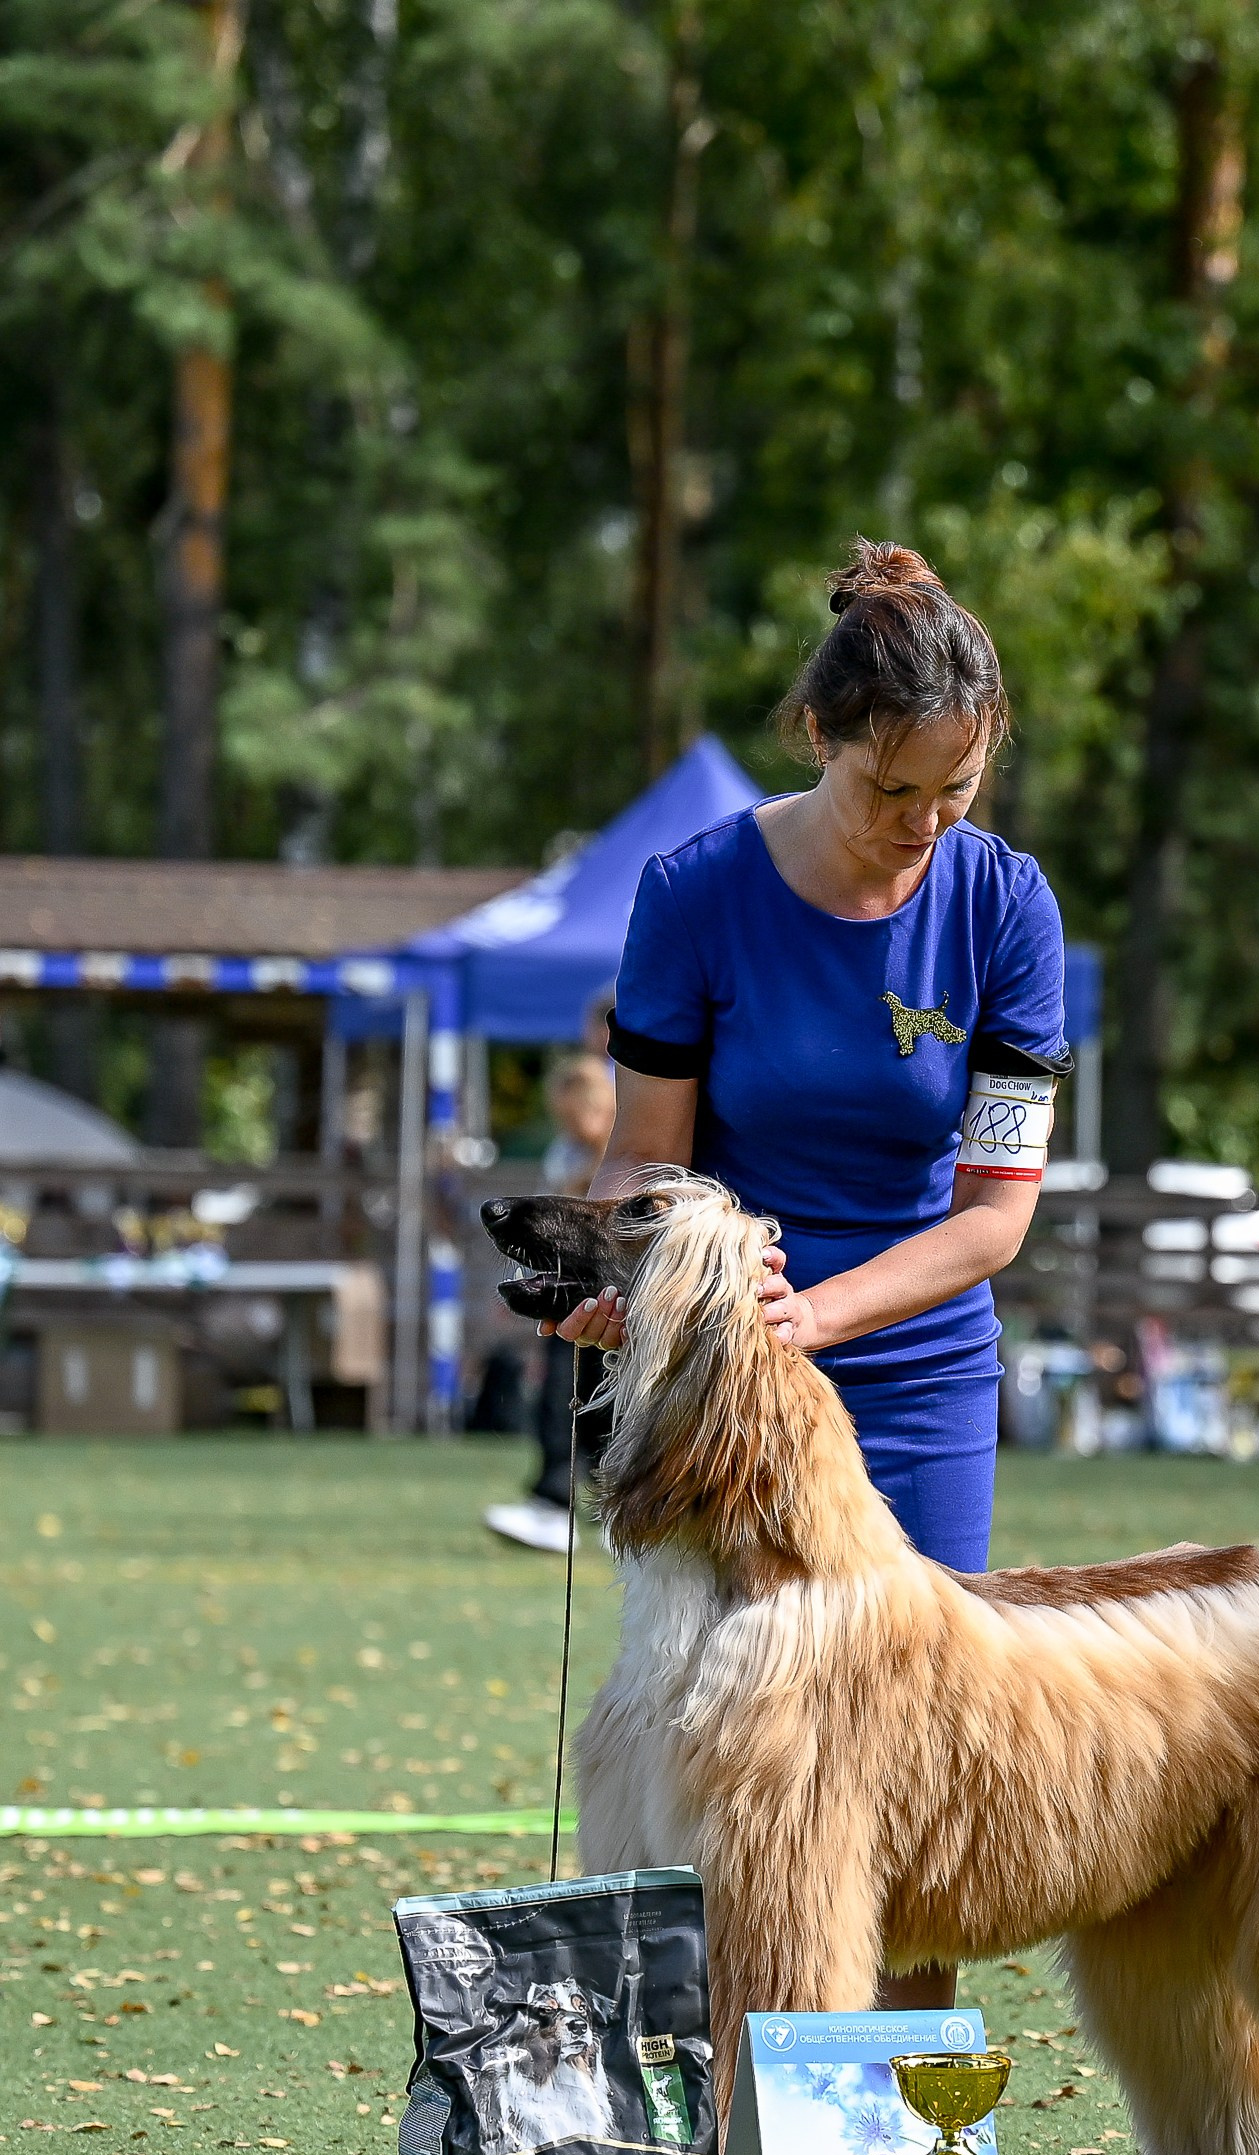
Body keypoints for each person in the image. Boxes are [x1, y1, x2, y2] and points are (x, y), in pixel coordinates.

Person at [552, 536, 1069, 2008]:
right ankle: (720, 2102)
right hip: (721, 1400)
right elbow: (643, 1163)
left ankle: (894, 2115)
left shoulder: (1006, 908)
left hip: (915, 1379)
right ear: (819, 737)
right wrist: (622, 1278)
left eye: (956, 791)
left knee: (915, 1778)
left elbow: (994, 1218)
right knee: (715, 1763)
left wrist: (820, 1313)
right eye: (889, 790)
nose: (921, 826)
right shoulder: (694, 893)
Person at [483, 1052, 619, 1553]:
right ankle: (557, 1500)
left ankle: (587, 1503)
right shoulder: (567, 1153)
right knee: (562, 1396)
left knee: (594, 1401)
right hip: (570, 1294)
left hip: (607, 1298)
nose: (569, 1127)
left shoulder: (620, 1162)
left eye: (575, 1116)